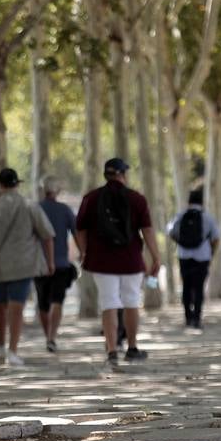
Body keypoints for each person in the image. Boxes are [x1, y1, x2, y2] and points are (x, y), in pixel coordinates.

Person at [75, 157, 161, 366]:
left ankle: (112, 350)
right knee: (131, 301)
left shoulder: (91, 198)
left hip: (101, 261)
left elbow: (80, 229)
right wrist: (155, 256)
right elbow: (147, 230)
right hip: (131, 260)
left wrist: (84, 252)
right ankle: (131, 347)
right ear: (124, 174)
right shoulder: (137, 199)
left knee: (108, 303)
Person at [0, 167, 55, 366]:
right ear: (17, 184)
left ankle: (0, 346)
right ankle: (12, 351)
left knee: (0, 306)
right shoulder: (30, 206)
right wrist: (50, 261)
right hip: (23, 265)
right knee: (16, 307)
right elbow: (47, 236)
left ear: (0, 185)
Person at [34, 175, 78, 353]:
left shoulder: (35, 209)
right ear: (57, 191)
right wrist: (83, 252)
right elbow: (76, 232)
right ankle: (52, 337)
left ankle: (48, 337)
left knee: (42, 303)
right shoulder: (65, 210)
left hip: (38, 265)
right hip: (61, 264)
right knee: (57, 301)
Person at [169, 187, 221, 333]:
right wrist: (211, 253)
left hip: (184, 256)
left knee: (186, 286)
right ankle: (197, 318)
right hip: (202, 256)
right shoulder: (207, 217)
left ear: (188, 201)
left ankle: (188, 317)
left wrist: (181, 242)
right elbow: (216, 238)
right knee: (199, 288)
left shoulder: (180, 215)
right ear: (202, 201)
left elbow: (171, 231)